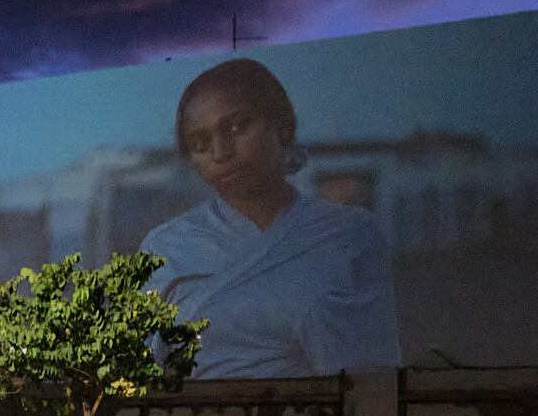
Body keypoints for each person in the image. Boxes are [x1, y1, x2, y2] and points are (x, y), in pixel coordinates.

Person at [142, 58, 401, 379]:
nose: (220, 153)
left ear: (281, 126)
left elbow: (375, 377)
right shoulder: (166, 248)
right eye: (200, 144)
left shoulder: (350, 234)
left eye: (237, 127)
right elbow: (137, 376)